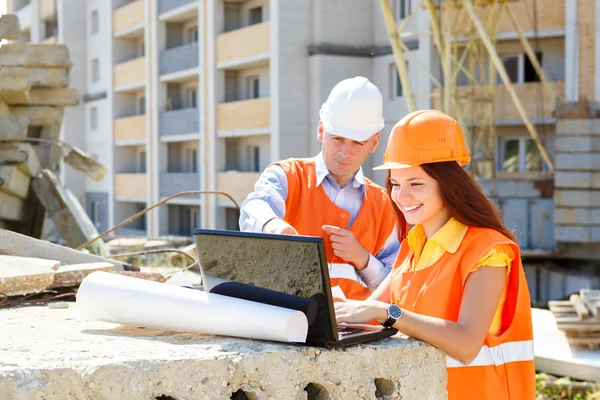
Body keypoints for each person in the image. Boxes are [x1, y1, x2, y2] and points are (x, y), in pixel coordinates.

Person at [334, 110, 535, 399]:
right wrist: (330, 308)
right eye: (395, 184)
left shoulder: (489, 250)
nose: (402, 197)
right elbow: (367, 315)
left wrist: (386, 312)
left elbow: (466, 343)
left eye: (416, 184)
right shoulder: (413, 246)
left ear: (448, 184)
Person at [239, 76, 400, 300]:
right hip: (289, 323)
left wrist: (363, 258)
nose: (345, 152)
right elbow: (255, 206)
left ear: (373, 143)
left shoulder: (385, 205)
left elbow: (398, 287)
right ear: (321, 130)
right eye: (338, 139)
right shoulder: (286, 176)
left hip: (361, 331)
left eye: (358, 143)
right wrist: (273, 225)